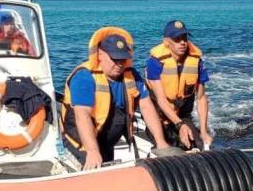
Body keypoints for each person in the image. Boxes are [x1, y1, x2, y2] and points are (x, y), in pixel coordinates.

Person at [60, 27, 173, 170]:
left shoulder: (131, 76)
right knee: (95, 171)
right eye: (115, 58)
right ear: (100, 54)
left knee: (109, 167)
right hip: (81, 141)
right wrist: (92, 151)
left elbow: (146, 107)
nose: (120, 64)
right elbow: (82, 115)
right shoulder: (84, 77)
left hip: (107, 140)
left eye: (123, 59)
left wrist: (160, 141)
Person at [145, 20, 213, 150]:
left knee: (197, 146)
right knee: (166, 151)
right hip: (158, 117)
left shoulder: (197, 62)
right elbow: (161, 101)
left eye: (184, 38)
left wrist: (204, 132)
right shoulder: (154, 63)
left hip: (182, 115)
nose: (182, 42)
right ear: (166, 41)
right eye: (177, 39)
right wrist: (180, 125)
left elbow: (201, 98)